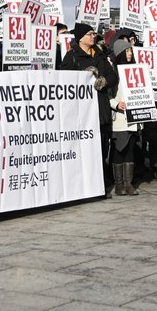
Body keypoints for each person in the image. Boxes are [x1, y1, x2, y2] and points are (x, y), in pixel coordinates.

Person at [61, 23, 116, 195]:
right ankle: (84, 185)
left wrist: (104, 81)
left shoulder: (100, 54)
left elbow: (113, 75)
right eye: (90, 34)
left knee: (101, 147)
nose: (93, 36)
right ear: (80, 38)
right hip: (81, 113)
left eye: (94, 34)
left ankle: (100, 184)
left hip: (101, 110)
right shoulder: (71, 57)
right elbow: (64, 82)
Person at [108, 41, 140, 195]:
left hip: (134, 119)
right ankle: (119, 184)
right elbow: (107, 97)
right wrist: (116, 104)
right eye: (126, 51)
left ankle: (128, 184)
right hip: (119, 119)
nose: (130, 54)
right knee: (118, 150)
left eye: (131, 51)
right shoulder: (113, 73)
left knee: (130, 150)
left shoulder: (136, 70)